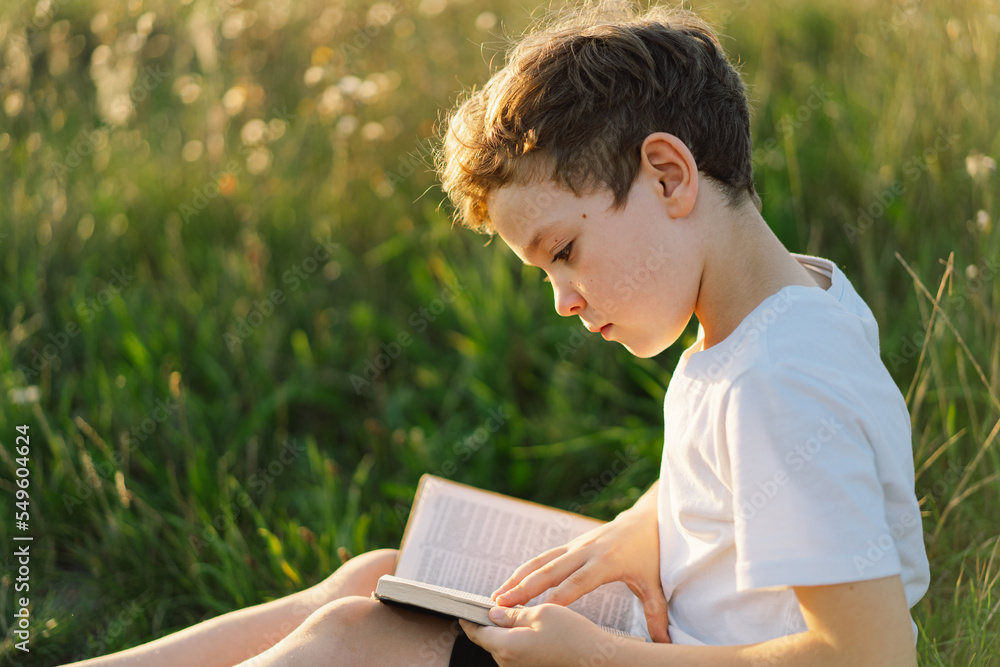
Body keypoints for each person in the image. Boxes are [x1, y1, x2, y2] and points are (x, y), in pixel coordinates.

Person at [67, 3, 930, 666]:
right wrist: (646, 521)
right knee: (378, 575)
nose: (561, 298)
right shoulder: (788, 303)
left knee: (357, 637)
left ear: (668, 175)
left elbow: (868, 652)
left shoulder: (775, 383)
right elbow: (751, 494)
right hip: (672, 626)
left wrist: (596, 654)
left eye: (565, 251)